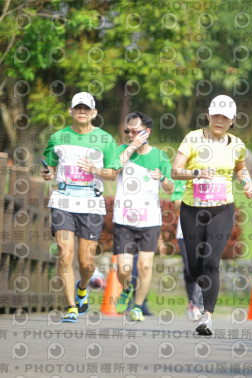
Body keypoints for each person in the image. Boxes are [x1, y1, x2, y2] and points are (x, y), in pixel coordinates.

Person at [172, 94, 252, 335]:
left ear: (233, 120)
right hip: (192, 209)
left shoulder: (237, 144)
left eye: (225, 117)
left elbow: (241, 170)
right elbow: (175, 171)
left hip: (222, 209)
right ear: (208, 114)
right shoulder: (193, 138)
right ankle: (199, 297)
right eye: (215, 115)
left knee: (211, 261)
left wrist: (247, 183)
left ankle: (206, 315)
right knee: (194, 266)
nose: (219, 120)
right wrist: (197, 172)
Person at [42, 92, 121, 323]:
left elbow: (113, 174)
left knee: (86, 263)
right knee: (65, 254)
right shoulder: (58, 137)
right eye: (78, 108)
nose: (82, 112)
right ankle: (71, 307)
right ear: (71, 111)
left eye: (87, 109)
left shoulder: (105, 140)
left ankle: (83, 287)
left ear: (94, 113)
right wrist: (47, 174)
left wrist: (95, 170)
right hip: (63, 200)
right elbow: (49, 167)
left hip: (91, 203)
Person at [113, 112, 175, 321]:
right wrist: (131, 147)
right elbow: (113, 170)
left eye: (135, 131)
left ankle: (138, 306)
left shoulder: (159, 156)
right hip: (123, 219)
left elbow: (170, 188)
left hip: (149, 220)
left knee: (145, 265)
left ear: (147, 132)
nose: (131, 135)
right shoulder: (122, 150)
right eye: (127, 131)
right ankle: (127, 288)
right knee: (124, 268)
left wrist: (163, 177)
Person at [172, 179, 204, 321]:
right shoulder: (183, 177)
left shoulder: (213, 178)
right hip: (185, 231)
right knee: (190, 268)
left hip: (208, 230)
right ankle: (193, 301)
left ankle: (201, 301)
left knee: (205, 266)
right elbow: (177, 201)